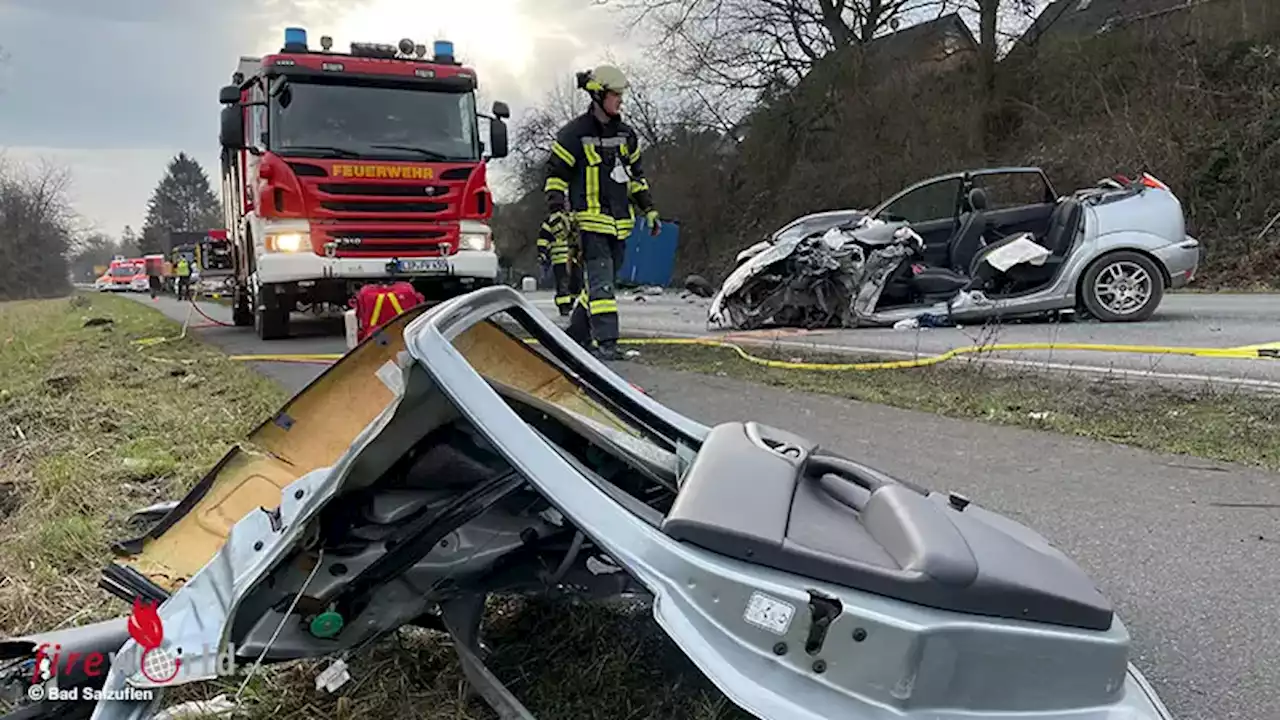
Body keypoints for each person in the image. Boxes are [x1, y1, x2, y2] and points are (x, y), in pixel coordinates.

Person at [541, 64, 662, 361]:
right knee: (602, 282)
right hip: (590, 223)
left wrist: (649, 208)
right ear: (598, 95)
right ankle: (607, 342)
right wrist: (557, 211)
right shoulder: (573, 135)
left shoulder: (627, 135)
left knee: (600, 283)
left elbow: (636, 176)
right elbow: (556, 177)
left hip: (621, 224)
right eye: (616, 95)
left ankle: (577, 334)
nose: (620, 100)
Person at [537, 214, 581, 316]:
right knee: (564, 284)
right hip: (561, 258)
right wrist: (542, 253)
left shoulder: (569, 218)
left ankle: (568, 303)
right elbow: (543, 239)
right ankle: (564, 306)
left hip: (569, 257)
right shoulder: (553, 220)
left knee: (575, 282)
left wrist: (542, 253)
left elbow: (577, 235)